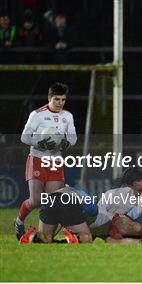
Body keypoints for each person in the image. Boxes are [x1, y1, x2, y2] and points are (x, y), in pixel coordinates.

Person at [15, 82, 76, 240]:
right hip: (37, 159)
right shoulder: (37, 114)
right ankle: (19, 221)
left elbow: (73, 137)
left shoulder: (67, 116)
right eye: (56, 99)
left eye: (63, 100)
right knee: (35, 201)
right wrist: (39, 143)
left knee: (54, 202)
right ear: (49, 97)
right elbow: (24, 137)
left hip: (55, 162)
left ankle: (48, 236)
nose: (60, 103)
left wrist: (67, 143)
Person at [19, 186, 93, 244]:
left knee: (45, 239)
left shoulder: (74, 191)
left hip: (49, 201)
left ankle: (30, 237)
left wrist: (52, 235)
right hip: (67, 201)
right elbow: (68, 217)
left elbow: (60, 220)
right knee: (87, 237)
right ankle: (71, 239)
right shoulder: (90, 206)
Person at [89, 168, 142, 241]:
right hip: (105, 226)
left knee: (137, 227)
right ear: (130, 185)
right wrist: (116, 218)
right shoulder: (113, 194)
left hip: (130, 228)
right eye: (139, 180)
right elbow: (99, 214)